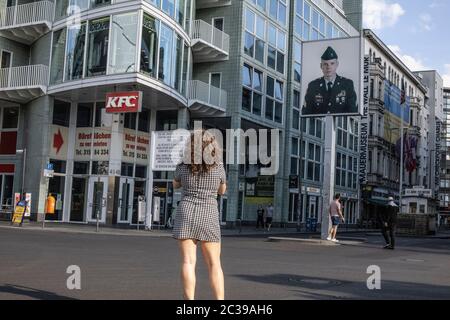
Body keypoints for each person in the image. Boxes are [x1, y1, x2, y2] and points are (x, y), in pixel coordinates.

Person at [172, 130, 227, 300]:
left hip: (187, 211)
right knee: (214, 264)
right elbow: (222, 190)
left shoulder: (183, 165)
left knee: (188, 262)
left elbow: (175, 185)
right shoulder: (218, 166)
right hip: (209, 213)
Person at [303, 46, 357, 116]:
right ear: (321, 66)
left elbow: (353, 112)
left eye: (332, 63)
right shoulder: (313, 86)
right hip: (319, 125)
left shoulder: (347, 84)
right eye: (325, 64)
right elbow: (306, 113)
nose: (328, 67)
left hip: (339, 126)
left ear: (337, 64)